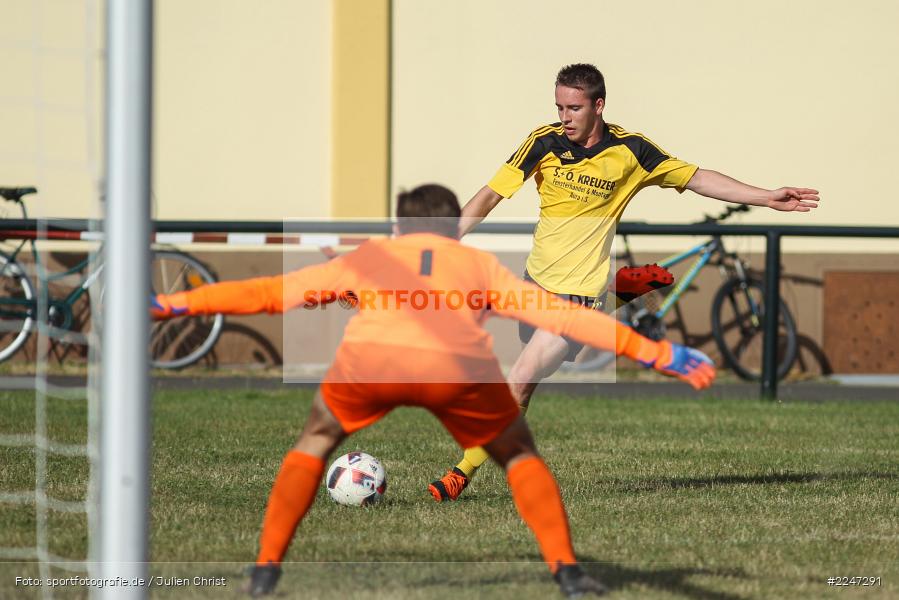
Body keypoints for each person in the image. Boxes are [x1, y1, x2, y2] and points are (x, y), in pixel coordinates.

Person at [152, 184, 715, 598]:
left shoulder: (370, 258)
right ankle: (567, 571)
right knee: (519, 455)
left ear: (400, 227)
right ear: (453, 227)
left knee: (315, 439)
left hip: (370, 367)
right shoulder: (478, 265)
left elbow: (270, 294)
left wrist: (175, 304)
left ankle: (265, 569)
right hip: (456, 374)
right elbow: (568, 318)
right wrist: (659, 352)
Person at [428, 63, 819, 502]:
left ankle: (460, 473)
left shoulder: (632, 150)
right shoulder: (543, 141)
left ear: (598, 106)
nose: (564, 117)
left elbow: (697, 178)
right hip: (534, 284)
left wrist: (765, 196)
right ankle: (621, 293)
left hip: (575, 296)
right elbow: (489, 195)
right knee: (515, 372)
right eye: (559, 106)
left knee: (518, 380)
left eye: (574, 107)